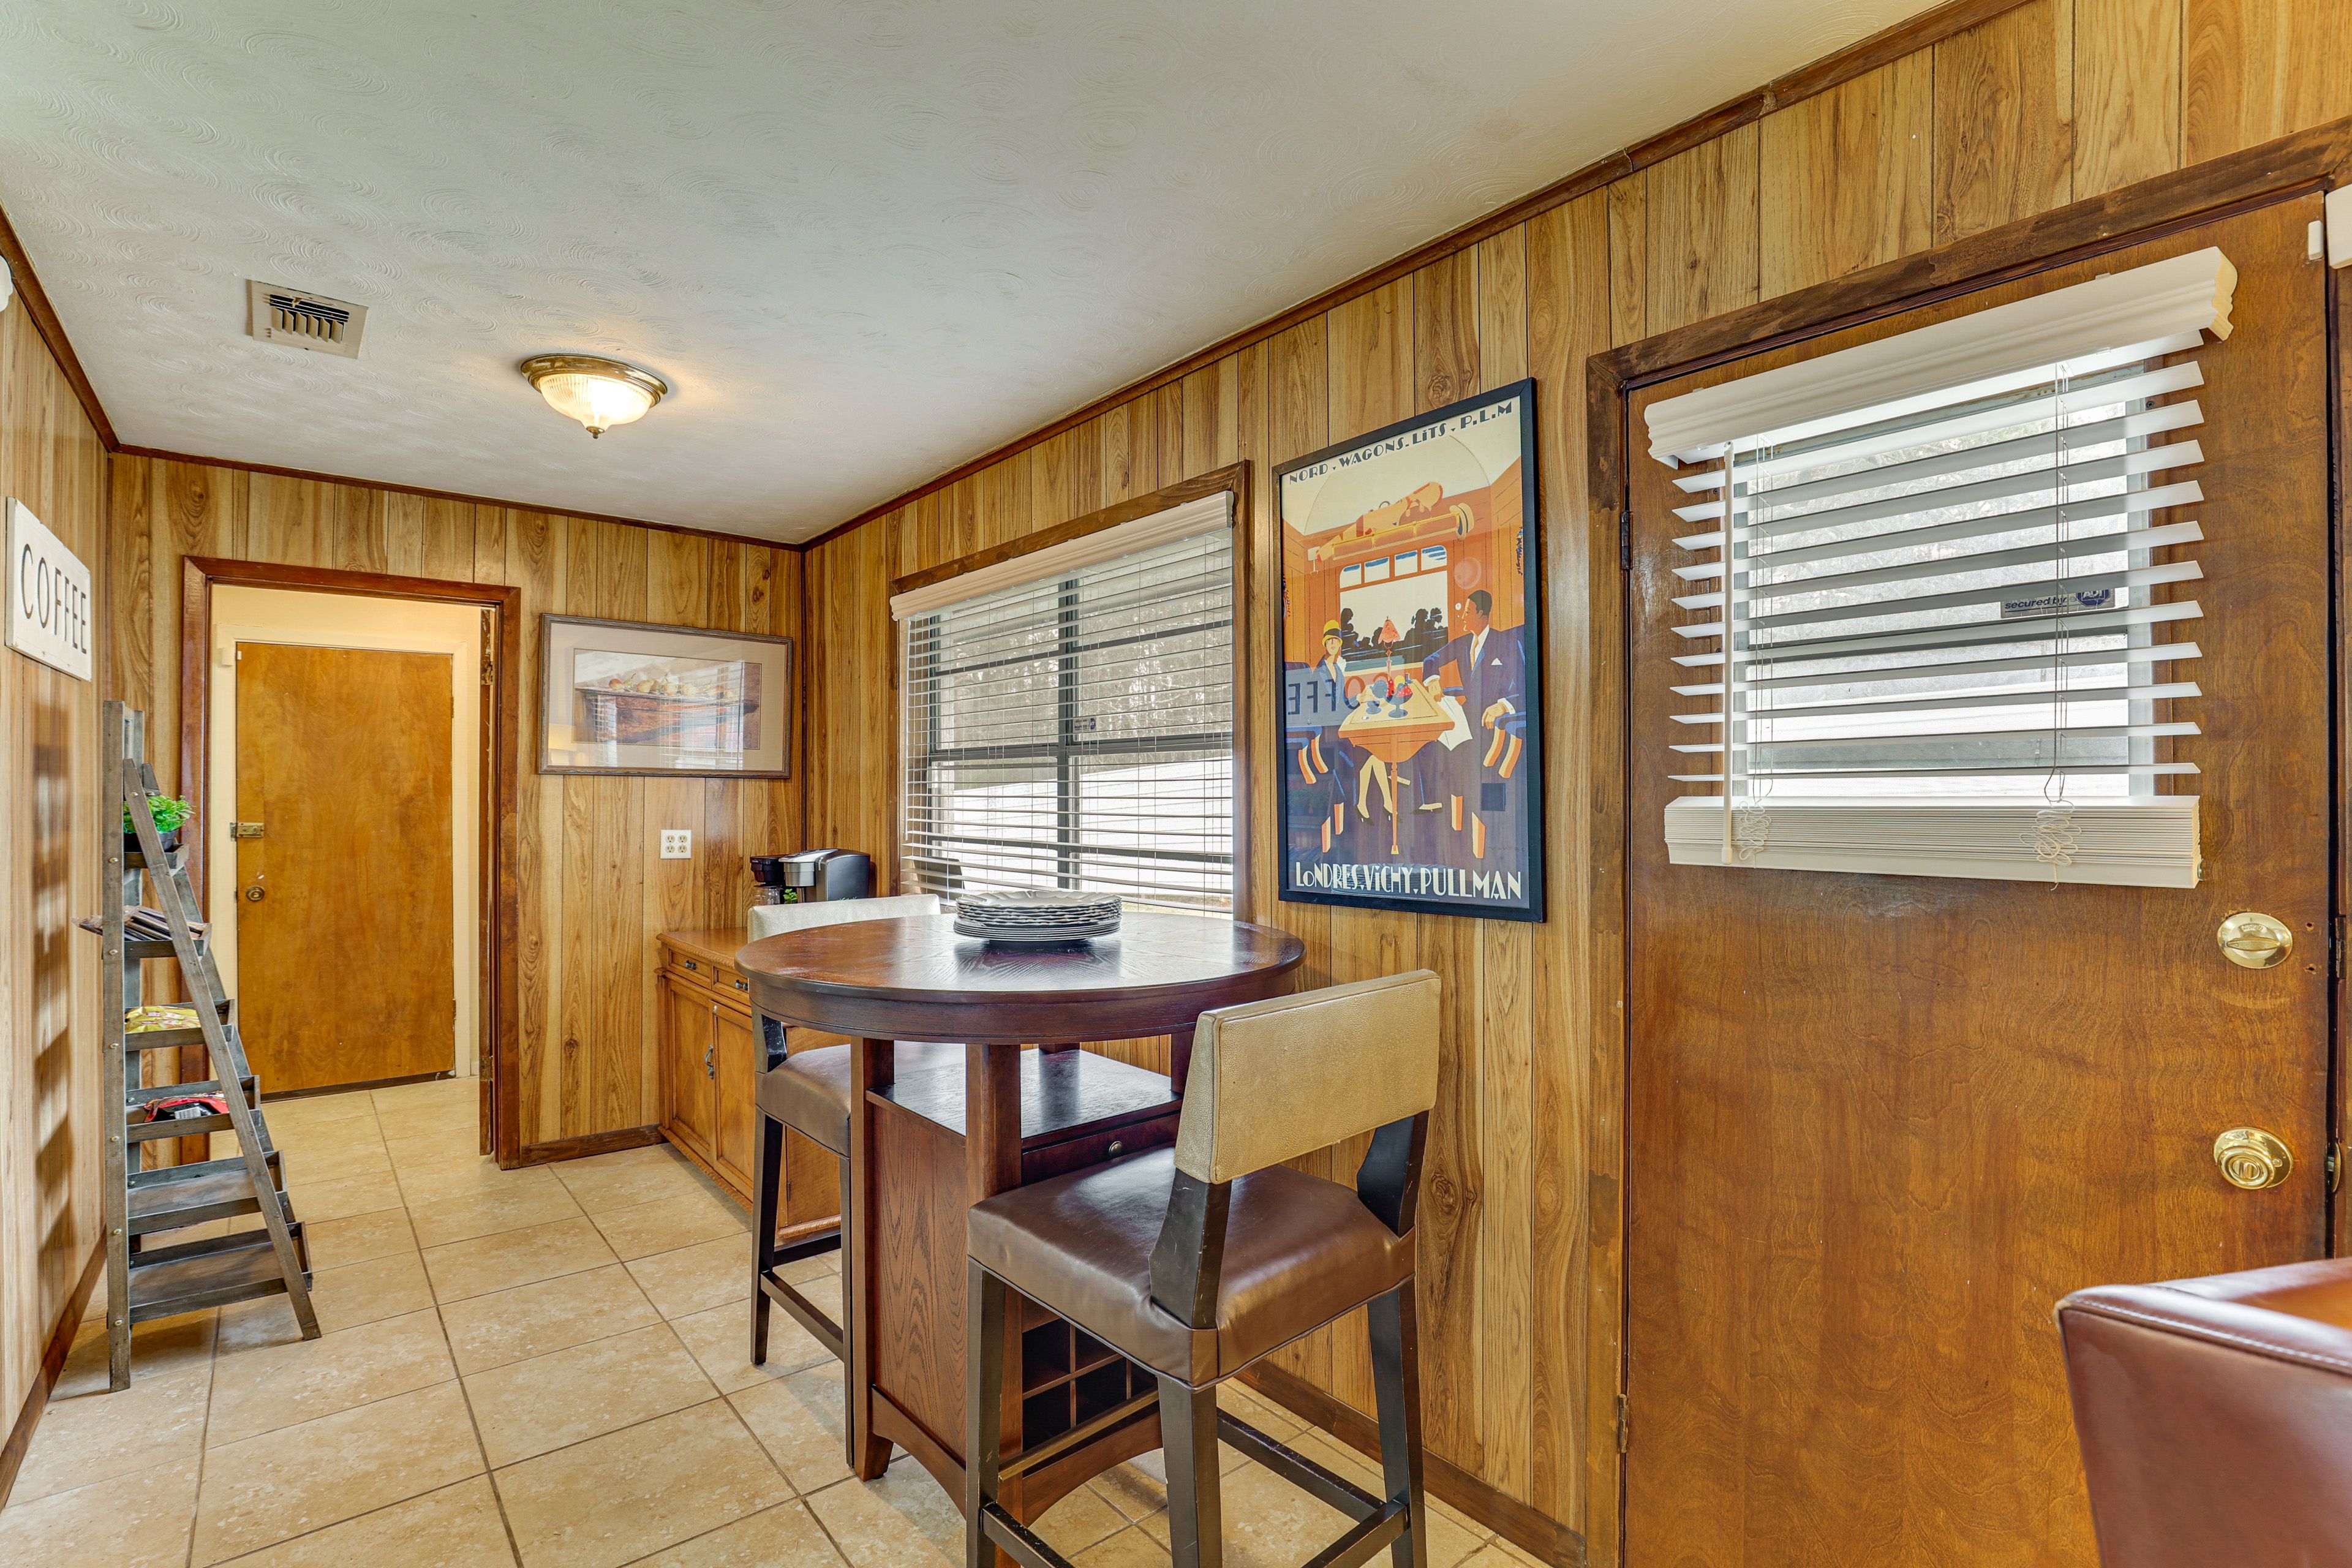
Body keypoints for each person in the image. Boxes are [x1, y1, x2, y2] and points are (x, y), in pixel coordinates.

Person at [1420, 589, 1525, 856]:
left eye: (1467, 612)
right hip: (1466, 724)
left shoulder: (1507, 643)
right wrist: (1433, 682)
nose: (1462, 616)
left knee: (1468, 767)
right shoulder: (1464, 642)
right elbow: (1431, 660)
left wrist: (1503, 704)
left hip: (1492, 728)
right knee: (1430, 743)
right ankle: (1449, 834)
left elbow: (1526, 686)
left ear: (1481, 614)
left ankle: (1484, 844)